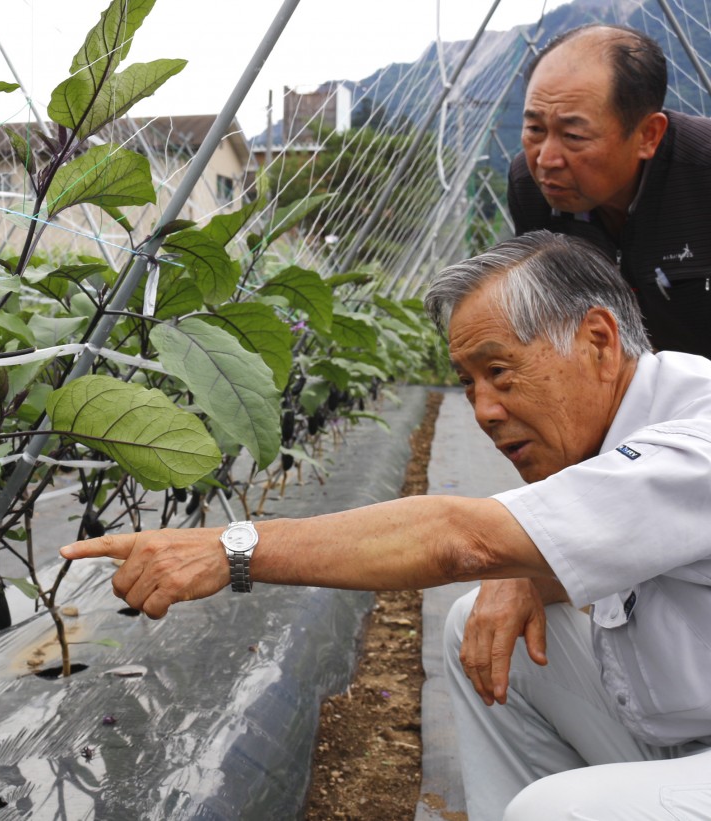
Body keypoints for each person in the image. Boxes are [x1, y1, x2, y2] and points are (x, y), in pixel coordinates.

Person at [61, 231, 711, 819]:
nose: (483, 410)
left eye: (500, 372)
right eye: (467, 381)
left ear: (598, 340)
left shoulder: (696, 438)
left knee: (558, 810)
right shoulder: (636, 422)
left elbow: (460, 538)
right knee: (479, 626)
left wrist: (233, 547)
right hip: (687, 726)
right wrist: (527, 567)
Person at [508, 23, 711, 358]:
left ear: (648, 135)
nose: (545, 159)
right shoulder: (529, 188)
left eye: (573, 136)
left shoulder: (701, 174)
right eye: (534, 129)